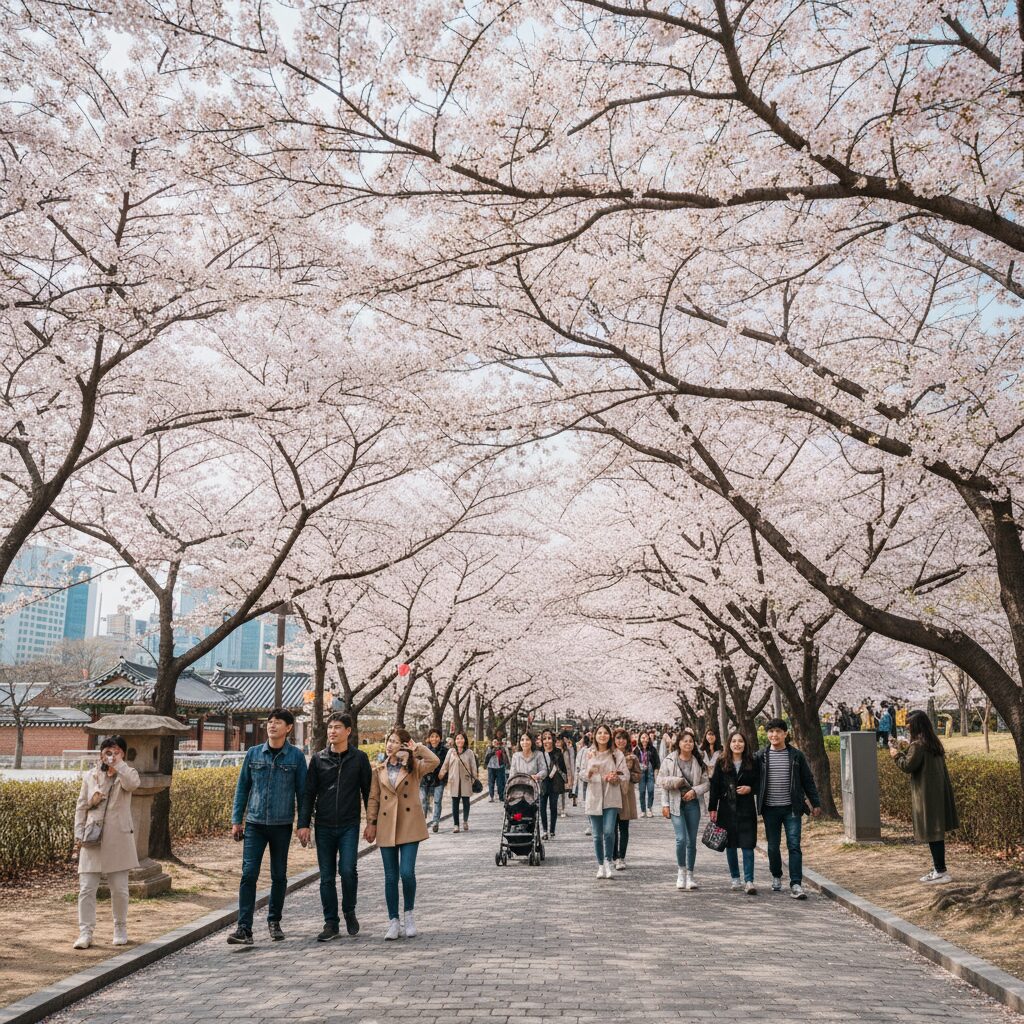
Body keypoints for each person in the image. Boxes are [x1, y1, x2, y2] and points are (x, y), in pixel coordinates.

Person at [227, 709, 308, 945]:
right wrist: (236, 820)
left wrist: (303, 824)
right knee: (248, 874)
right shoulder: (253, 754)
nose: (272, 726)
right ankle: (244, 928)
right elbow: (242, 788)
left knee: (279, 875)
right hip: (254, 824)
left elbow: (303, 793)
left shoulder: (295, 757)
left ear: (289, 728)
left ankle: (274, 921)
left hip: (282, 825)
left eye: (278, 722)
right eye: (270, 722)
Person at [297, 711, 371, 941]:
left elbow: (369, 792)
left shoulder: (359, 759)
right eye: (330, 727)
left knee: (348, 870)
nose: (332, 731)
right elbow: (308, 793)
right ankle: (331, 923)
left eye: (337, 727)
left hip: (349, 825)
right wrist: (303, 824)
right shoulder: (319, 759)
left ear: (348, 731)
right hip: (324, 826)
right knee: (327, 876)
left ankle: (349, 910)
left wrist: (372, 822)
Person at [365, 727, 440, 940]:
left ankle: (409, 915)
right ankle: (393, 921)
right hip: (387, 825)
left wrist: (417, 748)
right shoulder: (379, 769)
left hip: (409, 825)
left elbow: (434, 761)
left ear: (404, 745)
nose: (390, 744)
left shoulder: (414, 767)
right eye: (389, 740)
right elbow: (373, 799)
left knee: (406, 872)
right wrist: (371, 822)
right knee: (390, 876)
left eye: (396, 741)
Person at [73, 736, 141, 949]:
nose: (110, 756)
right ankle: (85, 932)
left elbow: (133, 784)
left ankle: (120, 926)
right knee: (86, 888)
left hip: (118, 838)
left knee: (119, 889)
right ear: (100, 754)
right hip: (92, 837)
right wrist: (78, 834)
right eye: (107, 752)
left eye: (116, 751)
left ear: (123, 753)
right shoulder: (91, 776)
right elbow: (81, 806)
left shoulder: (127, 774)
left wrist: (119, 764)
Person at [754, 717, 822, 900]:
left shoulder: (796, 755)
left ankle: (796, 883)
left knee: (794, 845)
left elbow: (807, 780)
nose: (774, 735)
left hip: (792, 808)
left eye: (778, 731)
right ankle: (776, 875)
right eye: (771, 731)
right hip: (770, 808)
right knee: (773, 847)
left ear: (785, 734)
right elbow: (752, 778)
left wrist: (815, 803)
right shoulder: (761, 756)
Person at [889, 711, 959, 883]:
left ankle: (941, 871)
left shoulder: (918, 745)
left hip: (927, 795)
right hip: (937, 792)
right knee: (936, 832)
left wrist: (896, 754)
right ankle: (938, 869)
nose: (906, 726)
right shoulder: (932, 742)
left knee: (932, 832)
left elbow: (908, 766)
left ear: (916, 725)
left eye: (909, 723)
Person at [708, 731, 760, 894]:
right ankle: (735, 878)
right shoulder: (722, 762)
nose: (737, 744)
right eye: (734, 741)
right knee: (730, 844)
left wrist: (750, 789)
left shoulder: (752, 761)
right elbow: (714, 786)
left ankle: (749, 880)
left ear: (745, 744)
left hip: (746, 808)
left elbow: (760, 782)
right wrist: (712, 808)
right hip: (726, 808)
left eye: (741, 741)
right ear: (729, 744)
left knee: (748, 844)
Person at [658, 730, 709, 890]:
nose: (688, 744)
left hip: (692, 804)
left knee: (691, 841)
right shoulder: (669, 760)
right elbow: (661, 781)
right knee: (681, 839)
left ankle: (690, 874)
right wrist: (665, 804)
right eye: (684, 741)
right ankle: (681, 870)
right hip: (675, 803)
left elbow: (707, 783)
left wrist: (695, 791)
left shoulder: (698, 761)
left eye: (691, 741)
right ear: (678, 743)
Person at [585, 723, 628, 878]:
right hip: (594, 797)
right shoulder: (588, 753)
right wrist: (590, 772)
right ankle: (600, 865)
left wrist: (616, 777)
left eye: (605, 733)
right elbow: (581, 775)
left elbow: (625, 775)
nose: (602, 735)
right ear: (595, 736)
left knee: (609, 831)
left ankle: (609, 861)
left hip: (612, 797)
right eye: (599, 733)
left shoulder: (617, 754)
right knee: (597, 835)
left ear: (610, 736)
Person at [612, 729, 641, 870]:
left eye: (624, 738)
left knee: (623, 827)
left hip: (626, 794)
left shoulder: (632, 757)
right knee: (611, 827)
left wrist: (627, 774)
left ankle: (621, 857)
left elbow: (638, 776)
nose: (621, 741)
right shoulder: (609, 756)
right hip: (611, 794)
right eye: (618, 738)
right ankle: (613, 856)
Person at [438, 731, 478, 833]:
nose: (459, 740)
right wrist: (441, 774)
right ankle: (456, 825)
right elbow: (446, 764)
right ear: (455, 741)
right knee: (455, 802)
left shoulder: (469, 752)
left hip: (466, 779)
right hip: (454, 780)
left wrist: (474, 779)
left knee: (466, 801)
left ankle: (465, 820)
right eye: (457, 738)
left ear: (465, 740)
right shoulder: (451, 751)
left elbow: (473, 766)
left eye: (461, 738)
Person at [538, 730, 567, 839]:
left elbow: (563, 768)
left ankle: (552, 830)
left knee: (553, 807)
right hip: (543, 782)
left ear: (553, 740)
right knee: (542, 807)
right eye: (544, 738)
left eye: (549, 738)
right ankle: (544, 830)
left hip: (555, 782)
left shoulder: (558, 752)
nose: (547, 741)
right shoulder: (539, 753)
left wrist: (566, 780)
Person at [419, 729, 447, 833]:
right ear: (429, 738)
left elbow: (447, 765)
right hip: (425, 780)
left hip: (439, 780)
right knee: (423, 802)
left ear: (440, 738)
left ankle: (435, 822)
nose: (434, 739)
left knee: (437, 801)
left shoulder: (445, 751)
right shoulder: (424, 750)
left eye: (436, 736)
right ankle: (422, 821)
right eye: (432, 736)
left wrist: (443, 774)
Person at [633, 731, 660, 817]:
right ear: (640, 739)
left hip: (650, 773)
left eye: (646, 737)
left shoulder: (653, 749)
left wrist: (656, 774)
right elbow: (633, 763)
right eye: (643, 738)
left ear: (649, 739)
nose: (645, 739)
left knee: (651, 790)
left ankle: (649, 808)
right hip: (641, 774)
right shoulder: (636, 750)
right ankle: (643, 810)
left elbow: (657, 763)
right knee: (642, 792)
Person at [484, 736, 508, 802]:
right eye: (494, 742)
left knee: (500, 783)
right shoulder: (489, 748)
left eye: (496, 742)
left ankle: (501, 797)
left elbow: (505, 757)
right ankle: (491, 797)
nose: (495, 743)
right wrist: (494, 752)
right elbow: (487, 756)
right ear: (492, 743)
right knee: (491, 783)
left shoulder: (502, 748)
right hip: (491, 767)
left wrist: (506, 764)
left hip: (500, 767)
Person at [557, 735, 575, 815]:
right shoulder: (554, 752)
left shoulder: (565, 751)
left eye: (559, 741)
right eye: (556, 742)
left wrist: (570, 777)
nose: (557, 743)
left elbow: (568, 765)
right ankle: (559, 809)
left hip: (564, 774)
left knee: (563, 793)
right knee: (558, 793)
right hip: (556, 774)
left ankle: (562, 809)